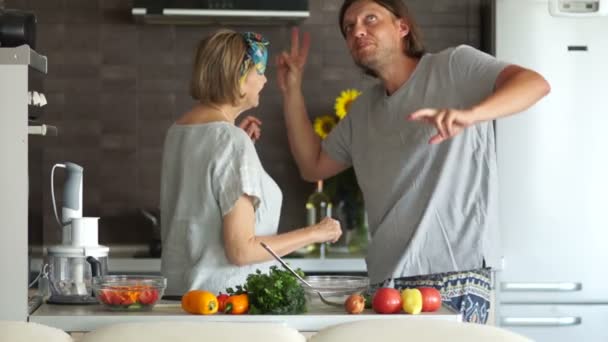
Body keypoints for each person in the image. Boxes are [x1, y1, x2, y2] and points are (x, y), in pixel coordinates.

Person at [277, 0, 550, 323]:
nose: (357, 31)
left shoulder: (454, 66)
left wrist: (471, 115)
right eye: (349, 27)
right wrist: (291, 90)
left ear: (402, 27)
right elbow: (313, 166)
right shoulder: (362, 111)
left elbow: (535, 83)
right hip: (387, 281)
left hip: (454, 275)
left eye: (370, 19)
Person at [160, 30, 342, 296]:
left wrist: (240, 152)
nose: (265, 80)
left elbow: (203, 195)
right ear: (239, 77)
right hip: (224, 309)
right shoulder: (230, 141)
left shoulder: (178, 131)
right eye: (260, 71)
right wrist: (317, 232)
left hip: (181, 302)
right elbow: (242, 251)